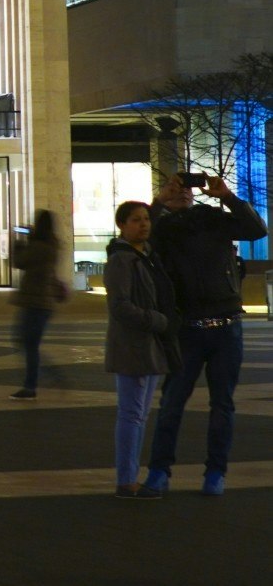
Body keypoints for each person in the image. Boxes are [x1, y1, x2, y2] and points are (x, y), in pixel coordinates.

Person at [142, 171, 268, 497]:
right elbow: (140, 238)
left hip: (227, 326)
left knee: (222, 405)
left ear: (197, 193)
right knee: (172, 402)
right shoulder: (163, 228)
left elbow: (257, 229)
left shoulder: (214, 219)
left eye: (187, 188)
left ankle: (215, 472)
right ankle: (159, 471)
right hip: (187, 329)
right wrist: (158, 202)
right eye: (176, 188)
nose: (183, 192)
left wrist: (227, 196)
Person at [104, 200, 176, 499]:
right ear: (122, 225)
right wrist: (157, 320)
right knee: (132, 414)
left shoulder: (144, 257)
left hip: (148, 344)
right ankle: (126, 480)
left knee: (139, 414)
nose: (143, 224)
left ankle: (129, 477)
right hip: (133, 345)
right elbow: (120, 306)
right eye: (135, 220)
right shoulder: (122, 260)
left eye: (146, 218)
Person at [9, 209, 64, 399]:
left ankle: (32, 384)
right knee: (29, 343)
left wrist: (18, 243)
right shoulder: (52, 245)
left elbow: (19, 262)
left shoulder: (38, 247)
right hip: (43, 303)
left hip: (34, 302)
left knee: (26, 344)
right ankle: (39, 378)